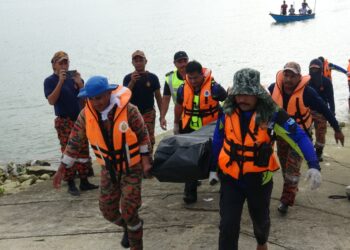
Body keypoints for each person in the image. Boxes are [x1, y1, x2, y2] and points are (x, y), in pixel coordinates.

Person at [214, 68, 322, 250]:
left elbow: (300, 135)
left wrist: (314, 164)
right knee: (227, 226)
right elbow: (218, 138)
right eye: (239, 94)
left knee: (261, 222)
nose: (242, 99)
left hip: (259, 180)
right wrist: (212, 168)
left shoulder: (273, 114)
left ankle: (262, 243)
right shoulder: (227, 111)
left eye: (248, 94)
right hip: (230, 178)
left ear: (257, 94)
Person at [53, 76, 152, 250]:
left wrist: (146, 162)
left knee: (129, 211)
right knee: (107, 211)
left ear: (108, 93)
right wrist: (62, 167)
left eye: (98, 97)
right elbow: (74, 141)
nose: (95, 102)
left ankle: (136, 242)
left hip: (131, 168)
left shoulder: (129, 110)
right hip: (109, 169)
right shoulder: (86, 115)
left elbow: (143, 136)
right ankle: (128, 228)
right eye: (90, 98)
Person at [269, 62, 345, 214]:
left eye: (292, 76)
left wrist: (337, 128)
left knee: (292, 168)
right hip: (281, 135)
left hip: (300, 136)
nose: (288, 79)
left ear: (299, 77)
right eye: (286, 75)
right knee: (285, 167)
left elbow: (324, 109)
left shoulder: (307, 92)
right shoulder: (273, 89)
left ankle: (286, 200)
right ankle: (291, 187)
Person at [44, 51, 97, 196]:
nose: (64, 65)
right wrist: (60, 82)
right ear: (54, 64)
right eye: (60, 62)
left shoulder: (74, 79)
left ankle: (84, 180)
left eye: (66, 62)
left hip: (79, 119)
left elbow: (85, 101)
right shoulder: (50, 81)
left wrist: (80, 85)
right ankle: (71, 182)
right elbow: (51, 101)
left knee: (83, 149)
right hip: (64, 120)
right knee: (68, 150)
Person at [174, 60, 227, 204]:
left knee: (218, 158)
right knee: (189, 161)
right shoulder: (182, 88)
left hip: (211, 130)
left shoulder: (215, 88)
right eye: (190, 78)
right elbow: (179, 106)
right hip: (190, 129)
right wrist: (175, 124)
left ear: (202, 75)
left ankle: (226, 190)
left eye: (195, 77)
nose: (193, 81)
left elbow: (228, 103)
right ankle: (190, 192)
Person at [123, 50, 162, 154]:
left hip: (148, 112)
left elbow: (158, 97)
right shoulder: (127, 78)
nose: (139, 63)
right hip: (132, 114)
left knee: (149, 138)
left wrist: (162, 116)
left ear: (146, 61)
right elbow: (124, 96)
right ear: (132, 63)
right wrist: (132, 82)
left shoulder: (153, 77)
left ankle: (149, 158)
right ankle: (137, 159)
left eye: (141, 60)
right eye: (136, 61)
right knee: (134, 137)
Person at [308, 59, 335, 162]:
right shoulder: (306, 80)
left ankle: (319, 152)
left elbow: (331, 99)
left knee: (321, 133)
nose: (314, 71)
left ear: (321, 69)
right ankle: (309, 150)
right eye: (312, 69)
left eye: (316, 69)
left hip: (321, 112)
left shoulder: (326, 82)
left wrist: (332, 114)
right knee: (306, 131)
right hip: (308, 111)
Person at [160, 51, 189, 131]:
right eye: (180, 62)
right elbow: (166, 99)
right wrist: (162, 117)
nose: (183, 64)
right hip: (179, 116)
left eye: (185, 61)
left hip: (196, 116)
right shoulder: (170, 78)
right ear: (174, 63)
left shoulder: (195, 75)